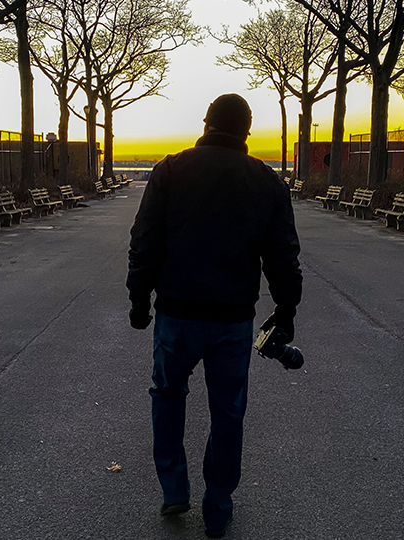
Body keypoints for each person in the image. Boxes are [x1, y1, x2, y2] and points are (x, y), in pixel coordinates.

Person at [126, 93, 302, 538]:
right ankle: (218, 508)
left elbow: (145, 240)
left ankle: (173, 487)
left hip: (177, 314)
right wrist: (285, 310)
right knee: (228, 413)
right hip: (233, 320)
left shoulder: (169, 170)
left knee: (167, 396)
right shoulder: (267, 181)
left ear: (205, 122)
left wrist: (138, 298)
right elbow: (282, 255)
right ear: (246, 130)